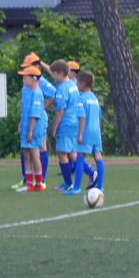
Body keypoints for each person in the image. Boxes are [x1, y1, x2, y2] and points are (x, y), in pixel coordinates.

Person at [16, 57, 50, 193]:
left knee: (35, 154)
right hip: (26, 125)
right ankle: (29, 182)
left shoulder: (37, 93)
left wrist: (30, 130)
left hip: (34, 128)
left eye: (26, 77)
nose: (24, 79)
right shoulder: (27, 91)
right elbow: (25, 111)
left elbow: (35, 115)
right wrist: (21, 123)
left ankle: (39, 182)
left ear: (34, 78)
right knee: (26, 153)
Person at [51, 60, 84, 193]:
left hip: (66, 123)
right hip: (75, 122)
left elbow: (60, 111)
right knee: (72, 153)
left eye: (54, 73)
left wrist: (54, 128)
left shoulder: (62, 88)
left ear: (60, 73)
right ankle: (92, 174)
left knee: (62, 153)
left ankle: (69, 183)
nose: (53, 76)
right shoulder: (73, 85)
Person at [75, 68, 106, 196]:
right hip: (96, 132)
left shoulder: (81, 99)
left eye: (77, 82)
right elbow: (99, 116)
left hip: (86, 132)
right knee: (98, 157)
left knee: (80, 157)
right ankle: (100, 186)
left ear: (82, 83)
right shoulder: (94, 98)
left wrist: (80, 134)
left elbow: (82, 117)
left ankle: (76, 187)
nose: (76, 85)